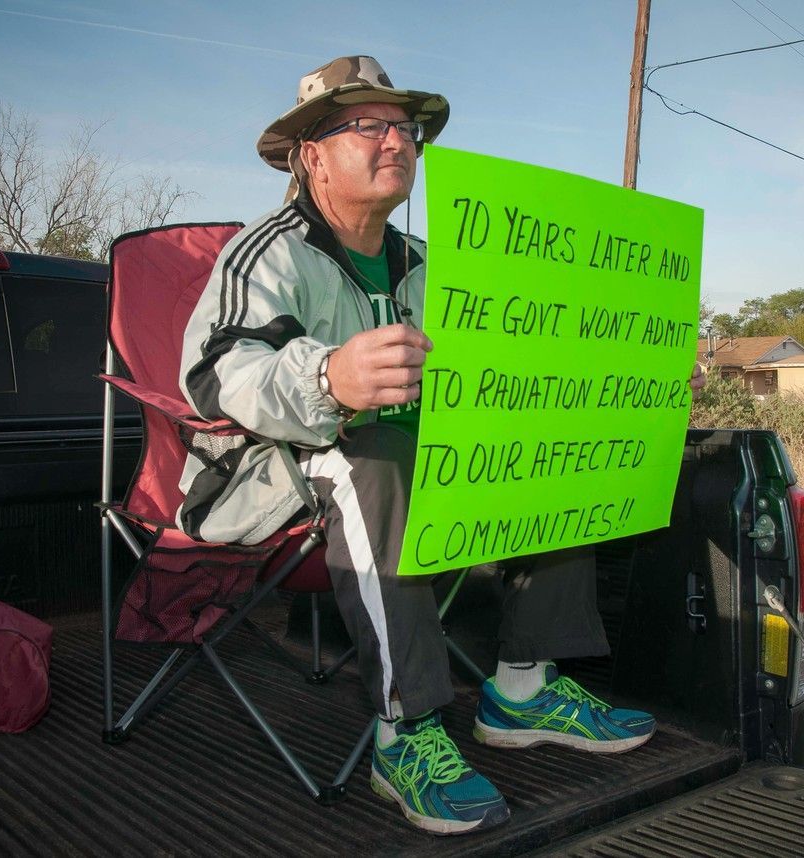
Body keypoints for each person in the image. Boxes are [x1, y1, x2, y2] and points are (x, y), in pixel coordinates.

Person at [177, 56, 706, 836]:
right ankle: (406, 733)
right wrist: (329, 374)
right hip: (269, 468)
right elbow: (214, 375)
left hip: (416, 470)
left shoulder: (431, 266)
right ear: (312, 154)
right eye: (368, 125)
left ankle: (523, 688)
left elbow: (505, 372)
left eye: (405, 127)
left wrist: (635, 379)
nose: (396, 140)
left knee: (547, 440)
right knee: (376, 459)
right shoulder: (269, 253)